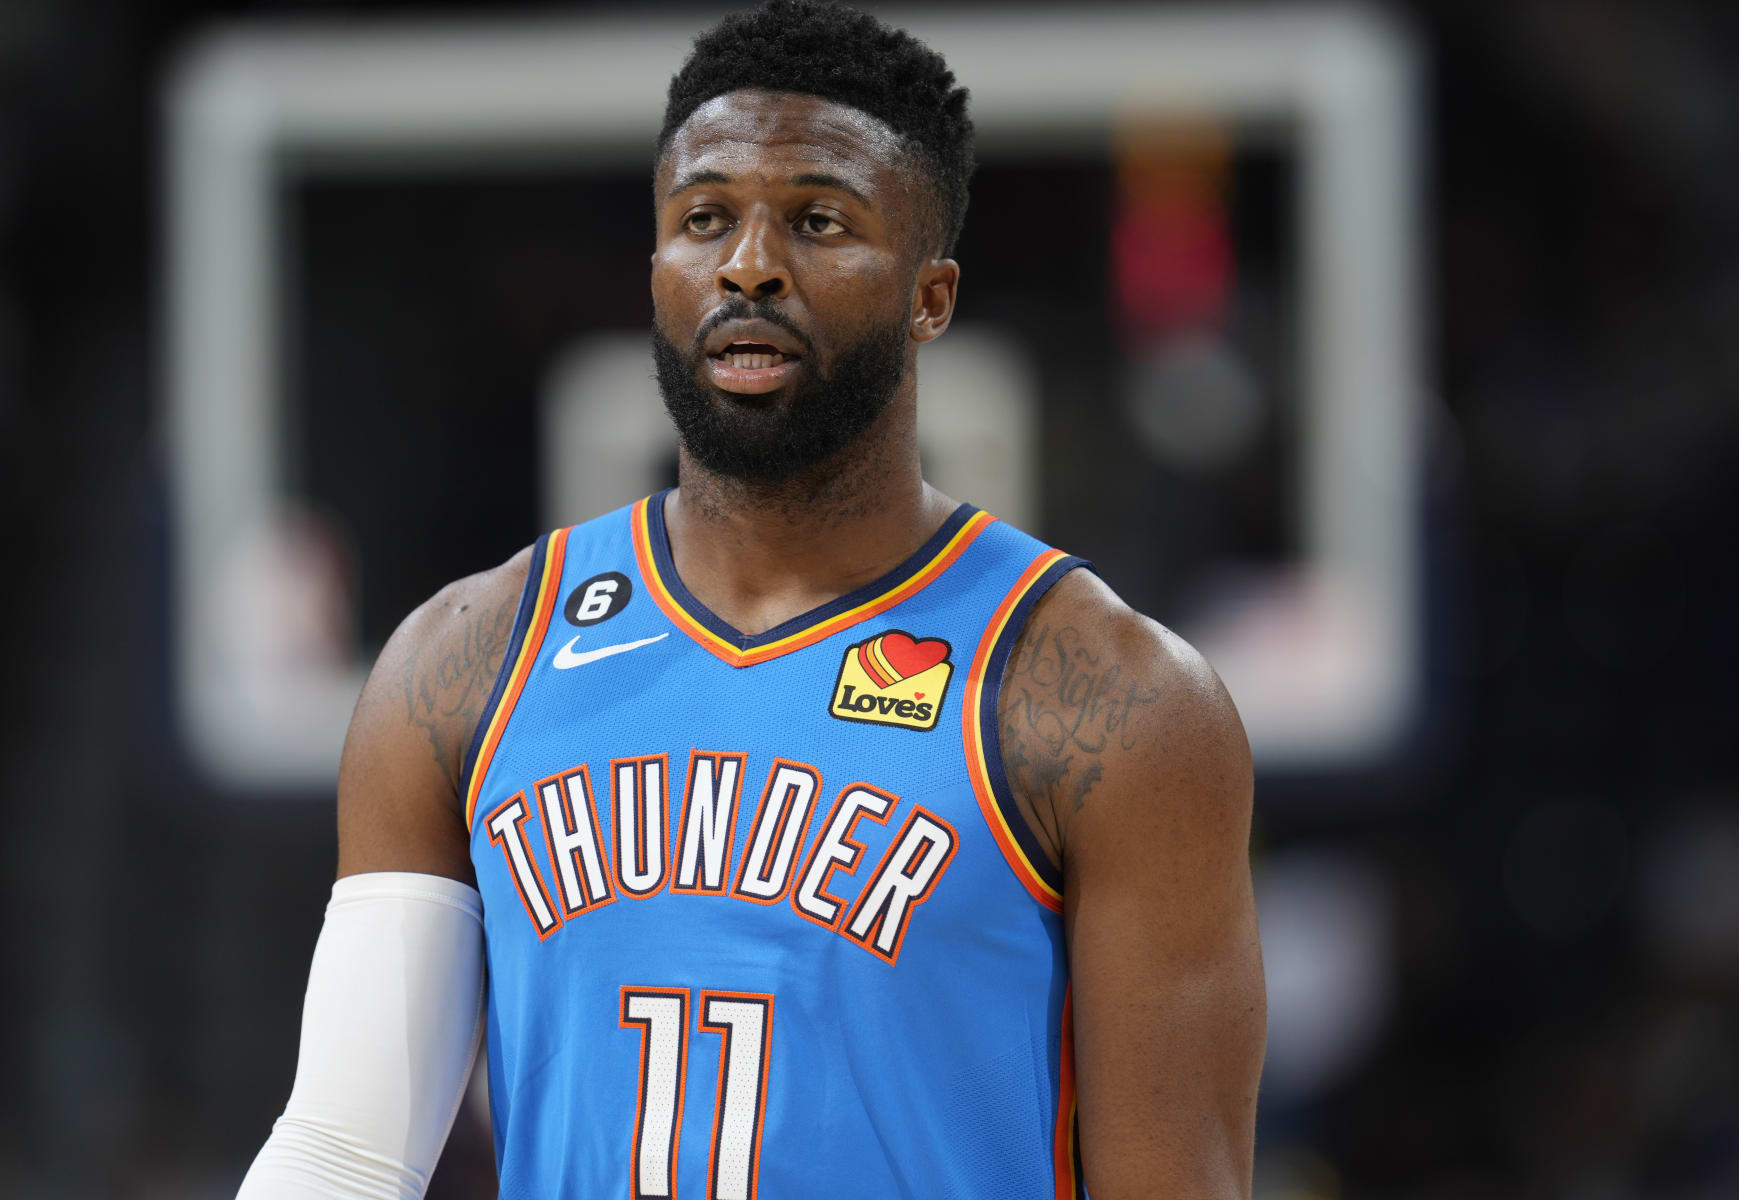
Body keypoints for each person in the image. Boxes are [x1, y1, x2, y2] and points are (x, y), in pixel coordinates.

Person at [236, 2, 1264, 1196]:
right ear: (658, 271)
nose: (750, 263)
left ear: (931, 298)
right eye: (705, 220)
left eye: (818, 221)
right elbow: (343, 1155)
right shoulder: (465, 660)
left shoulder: (1110, 701)